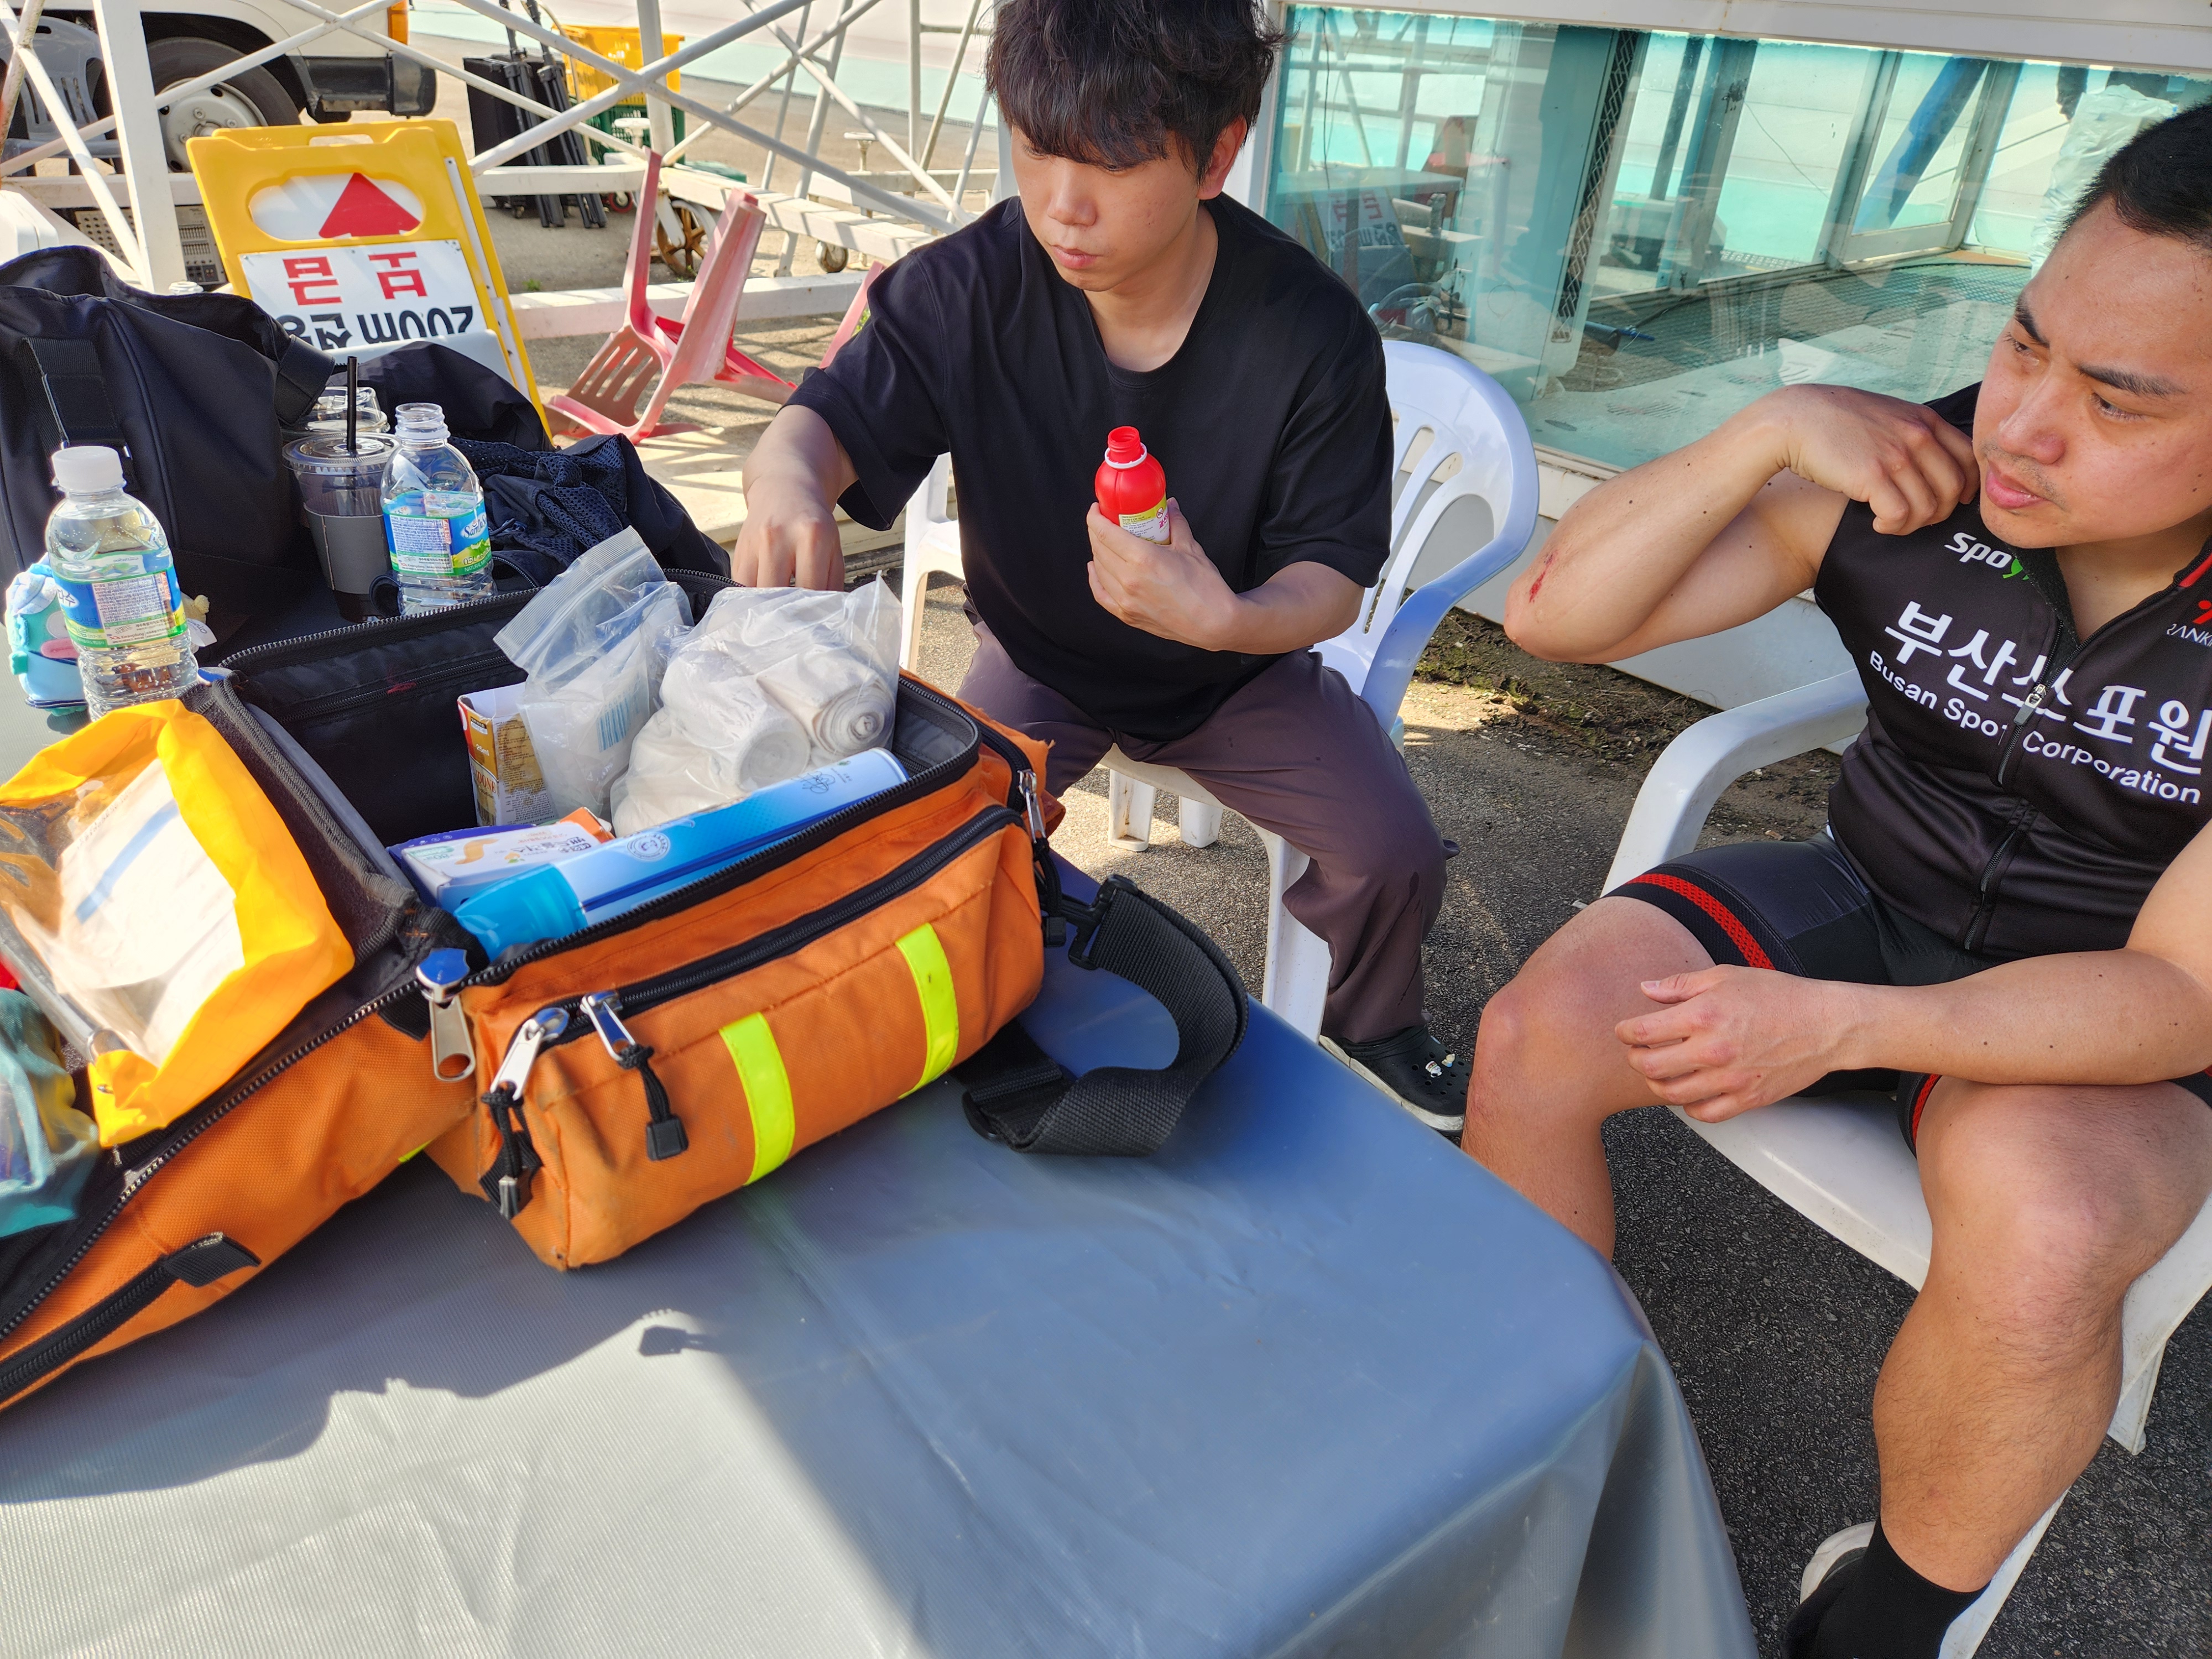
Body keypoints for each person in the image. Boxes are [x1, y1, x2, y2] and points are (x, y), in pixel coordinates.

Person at [1461, 107, 2212, 1659]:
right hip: (1860, 892)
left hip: (2100, 1014)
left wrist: (1841, 1030)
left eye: (2115, 402)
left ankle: (1885, 1620)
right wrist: (1768, 428)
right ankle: (1545, 1449)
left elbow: (2174, 994)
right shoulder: (1926, 471)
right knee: (1535, 1035)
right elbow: (1552, 616)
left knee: (2048, 1229)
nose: (2022, 427)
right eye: (2024, 344)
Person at [732, 0, 1463, 1128]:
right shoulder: (970, 286)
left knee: (1393, 851)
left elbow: (1330, 581)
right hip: (1038, 659)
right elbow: (823, 421)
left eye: (1113, 165)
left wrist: (1223, 619)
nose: (1062, 207)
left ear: (1216, 156)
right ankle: (970, 1005)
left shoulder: (1310, 334)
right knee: (925, 846)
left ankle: (1374, 1022)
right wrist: (785, 485)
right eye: (1036, 150)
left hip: (1233, 677)